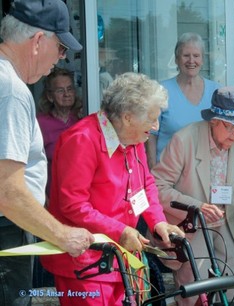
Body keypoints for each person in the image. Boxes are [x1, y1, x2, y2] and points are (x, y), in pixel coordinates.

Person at [40, 72, 183, 306]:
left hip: (123, 258)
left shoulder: (134, 136)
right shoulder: (82, 139)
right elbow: (73, 205)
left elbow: (145, 183)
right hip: (86, 263)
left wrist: (158, 222)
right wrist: (121, 231)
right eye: (152, 119)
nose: (156, 127)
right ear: (127, 117)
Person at [0, 1, 94, 304]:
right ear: (39, 41)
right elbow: (8, 193)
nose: (61, 58)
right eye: (61, 48)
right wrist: (62, 235)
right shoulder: (11, 89)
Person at [153, 87, 234, 306]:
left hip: (225, 227)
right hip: (191, 228)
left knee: (231, 290)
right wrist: (197, 207)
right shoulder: (184, 140)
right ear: (214, 120)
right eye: (231, 127)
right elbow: (157, 186)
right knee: (193, 294)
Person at [146, 32, 221, 169]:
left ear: (202, 60)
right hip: (168, 172)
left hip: (206, 172)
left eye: (196, 56)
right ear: (176, 59)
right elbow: (151, 135)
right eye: (186, 55)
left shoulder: (216, 91)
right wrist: (153, 169)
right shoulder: (160, 91)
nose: (191, 61)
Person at [37, 67, 82, 196]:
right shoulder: (40, 123)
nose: (66, 94)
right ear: (50, 96)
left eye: (69, 89)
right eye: (60, 90)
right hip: (52, 192)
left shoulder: (82, 119)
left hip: (81, 191)